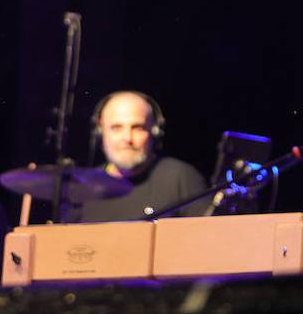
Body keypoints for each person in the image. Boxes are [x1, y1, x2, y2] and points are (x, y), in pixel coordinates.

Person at [78, 91, 209, 221]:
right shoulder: (80, 188)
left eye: (137, 127)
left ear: (155, 132)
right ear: (100, 132)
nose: (127, 138)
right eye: (116, 128)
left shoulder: (181, 177)